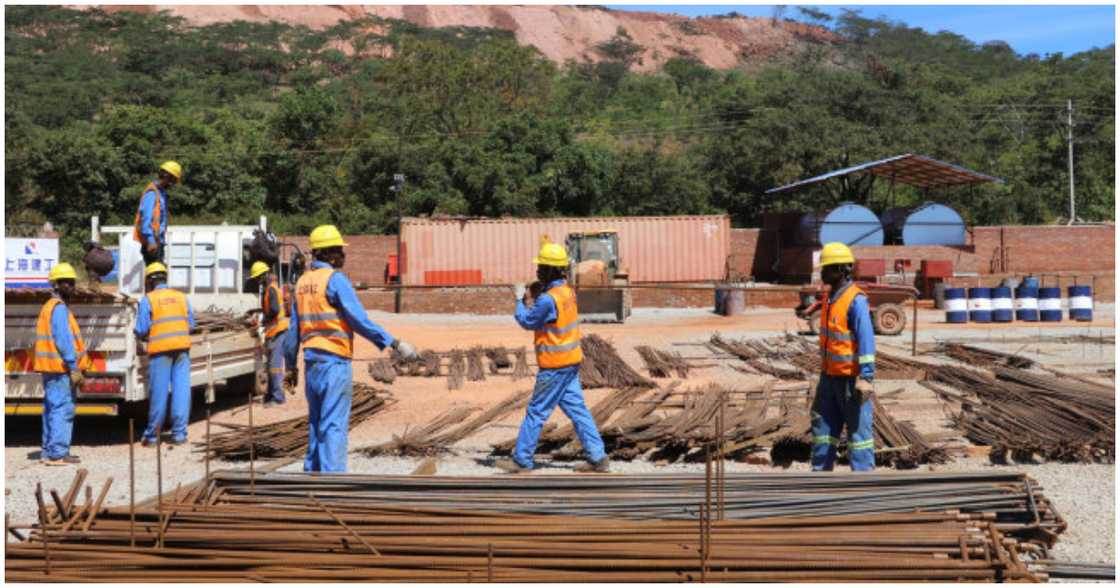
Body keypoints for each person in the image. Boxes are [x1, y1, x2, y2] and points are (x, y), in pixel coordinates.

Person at [284, 225, 418, 473]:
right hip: (334, 363)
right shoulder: (335, 280)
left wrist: (290, 367)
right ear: (330, 254)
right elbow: (358, 320)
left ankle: (312, 479)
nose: (344, 256)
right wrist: (394, 343)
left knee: (316, 424)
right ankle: (332, 485)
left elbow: (292, 332)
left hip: (311, 365)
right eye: (341, 251)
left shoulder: (302, 283)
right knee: (333, 424)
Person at [495, 239, 609, 474]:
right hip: (570, 363)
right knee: (579, 412)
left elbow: (527, 321)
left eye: (540, 267)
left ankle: (522, 460)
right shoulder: (566, 292)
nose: (537, 271)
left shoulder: (548, 299)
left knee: (536, 412)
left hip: (554, 367)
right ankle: (598, 458)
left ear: (549, 270)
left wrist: (519, 300)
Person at [810, 242, 876, 472]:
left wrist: (866, 377)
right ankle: (821, 476)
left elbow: (866, 339)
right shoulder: (831, 298)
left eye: (826, 268)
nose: (822, 272)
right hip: (829, 377)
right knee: (823, 428)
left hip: (851, 380)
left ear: (840, 269)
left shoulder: (855, 300)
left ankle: (862, 483)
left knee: (858, 433)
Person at [34, 263, 92, 466]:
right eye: (66, 282)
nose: (71, 286)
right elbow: (63, 340)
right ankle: (58, 453)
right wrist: (73, 365)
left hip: (51, 368)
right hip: (60, 368)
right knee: (62, 408)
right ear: (56, 285)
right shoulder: (58, 309)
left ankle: (49, 451)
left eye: (72, 282)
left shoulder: (49, 307)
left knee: (51, 408)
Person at [135, 262, 195, 446]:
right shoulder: (181, 297)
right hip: (182, 349)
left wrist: (142, 334)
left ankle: (153, 436)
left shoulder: (148, 299)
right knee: (181, 391)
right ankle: (179, 435)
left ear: (150, 281)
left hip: (161, 352)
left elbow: (141, 329)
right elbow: (191, 325)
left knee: (159, 394)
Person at [249, 261, 287, 407]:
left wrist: (263, 319)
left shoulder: (271, 289)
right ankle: (271, 395)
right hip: (273, 331)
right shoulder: (269, 289)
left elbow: (275, 310)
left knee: (275, 367)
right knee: (270, 365)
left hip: (277, 331)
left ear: (265, 275)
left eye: (259, 277)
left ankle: (278, 397)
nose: (258, 280)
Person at [133, 161, 181, 265]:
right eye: (173, 181)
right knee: (155, 276)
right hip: (153, 242)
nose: (172, 184)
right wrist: (150, 241)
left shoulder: (161, 193)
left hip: (158, 241)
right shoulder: (152, 193)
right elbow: (146, 219)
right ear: (167, 177)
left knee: (158, 275)